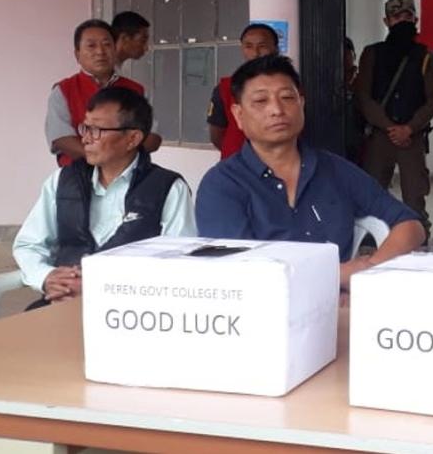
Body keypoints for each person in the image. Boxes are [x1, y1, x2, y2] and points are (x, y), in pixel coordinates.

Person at [195, 55, 425, 290]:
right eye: (261, 101)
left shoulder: (336, 170)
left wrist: (365, 272)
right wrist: (336, 276)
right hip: (263, 306)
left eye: (287, 97)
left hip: (340, 302)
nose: (276, 110)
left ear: (301, 104)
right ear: (238, 115)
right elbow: (238, 273)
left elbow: (410, 225)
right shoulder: (222, 185)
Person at [15, 87, 195, 309]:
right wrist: (47, 277)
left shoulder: (168, 188)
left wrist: (99, 287)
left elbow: (180, 261)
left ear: (132, 138)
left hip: (133, 310)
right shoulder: (63, 180)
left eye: (97, 130)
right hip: (63, 301)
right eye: (85, 128)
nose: (85, 139)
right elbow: (29, 244)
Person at [356, 0, 433, 234]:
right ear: (386, 21)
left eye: (407, 16)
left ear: (416, 20)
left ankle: (417, 239)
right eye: (396, 17)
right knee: (372, 192)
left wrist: (409, 128)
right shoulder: (372, 53)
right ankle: (371, 239)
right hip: (380, 137)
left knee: (415, 196)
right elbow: (363, 96)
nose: (402, 21)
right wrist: (390, 127)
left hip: (412, 138)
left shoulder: (424, 56)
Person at [46, 19, 160, 167]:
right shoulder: (63, 90)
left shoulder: (136, 90)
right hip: (78, 174)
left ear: (115, 49)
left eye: (107, 45)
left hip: (131, 174)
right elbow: (61, 138)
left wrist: (117, 159)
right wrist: (104, 158)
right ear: (77, 54)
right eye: (91, 46)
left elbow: (153, 137)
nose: (100, 52)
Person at [207, 23, 279, 159]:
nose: (255, 53)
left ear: (275, 48)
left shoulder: (290, 88)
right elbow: (217, 135)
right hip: (237, 165)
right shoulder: (225, 88)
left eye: (262, 46)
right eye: (248, 46)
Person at [343, 36, 366, 164]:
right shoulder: (329, 81)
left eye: (347, 53)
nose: (344, 58)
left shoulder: (362, 80)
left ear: (354, 56)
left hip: (358, 137)